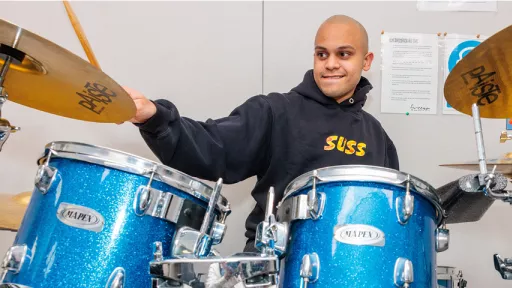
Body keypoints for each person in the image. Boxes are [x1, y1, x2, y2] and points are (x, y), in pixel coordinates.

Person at [123, 14, 399, 253]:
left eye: (344, 54)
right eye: (322, 54)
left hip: (353, 266)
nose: (330, 64)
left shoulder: (378, 138)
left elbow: (389, 217)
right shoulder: (275, 111)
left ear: (366, 61)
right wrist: (155, 117)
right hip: (276, 264)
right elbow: (211, 146)